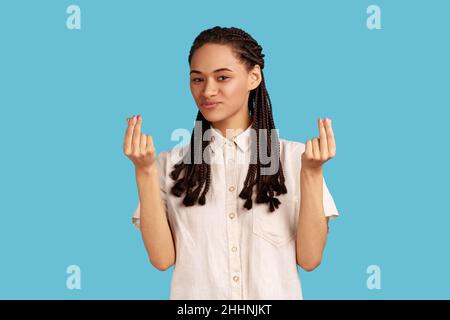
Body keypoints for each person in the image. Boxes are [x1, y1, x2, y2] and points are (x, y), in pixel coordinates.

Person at [123, 26, 340, 299]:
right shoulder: (169, 165)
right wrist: (143, 171)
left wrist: (311, 173)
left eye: (222, 77)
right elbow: (162, 260)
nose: (208, 91)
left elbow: (309, 260)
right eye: (197, 79)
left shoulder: (295, 159)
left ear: (253, 77)